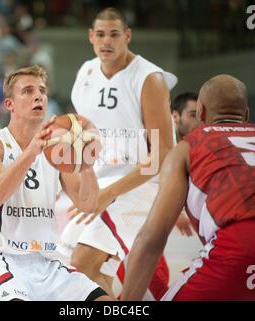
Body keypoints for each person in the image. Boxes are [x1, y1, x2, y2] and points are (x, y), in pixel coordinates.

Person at [58, 7, 177, 299]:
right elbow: (82, 136)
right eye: (100, 34)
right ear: (90, 37)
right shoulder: (86, 73)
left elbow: (161, 155)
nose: (106, 41)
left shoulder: (149, 79)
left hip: (141, 185)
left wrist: (108, 193)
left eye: (114, 34)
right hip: (102, 185)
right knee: (69, 268)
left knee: (83, 263)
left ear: (127, 36)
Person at [0, 65, 110, 301]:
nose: (38, 95)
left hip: (47, 262)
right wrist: (31, 151)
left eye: (42, 90)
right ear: (9, 104)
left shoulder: (56, 151)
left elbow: (88, 204)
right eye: (28, 91)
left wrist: (86, 164)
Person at [122, 74, 255, 301]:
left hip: (240, 246)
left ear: (201, 113)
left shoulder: (188, 147)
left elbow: (151, 238)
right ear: (246, 114)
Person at [171, 92, 199, 237]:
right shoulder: (155, 137)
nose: (199, 122)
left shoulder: (198, 145)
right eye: (193, 115)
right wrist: (176, 211)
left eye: (201, 116)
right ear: (175, 116)